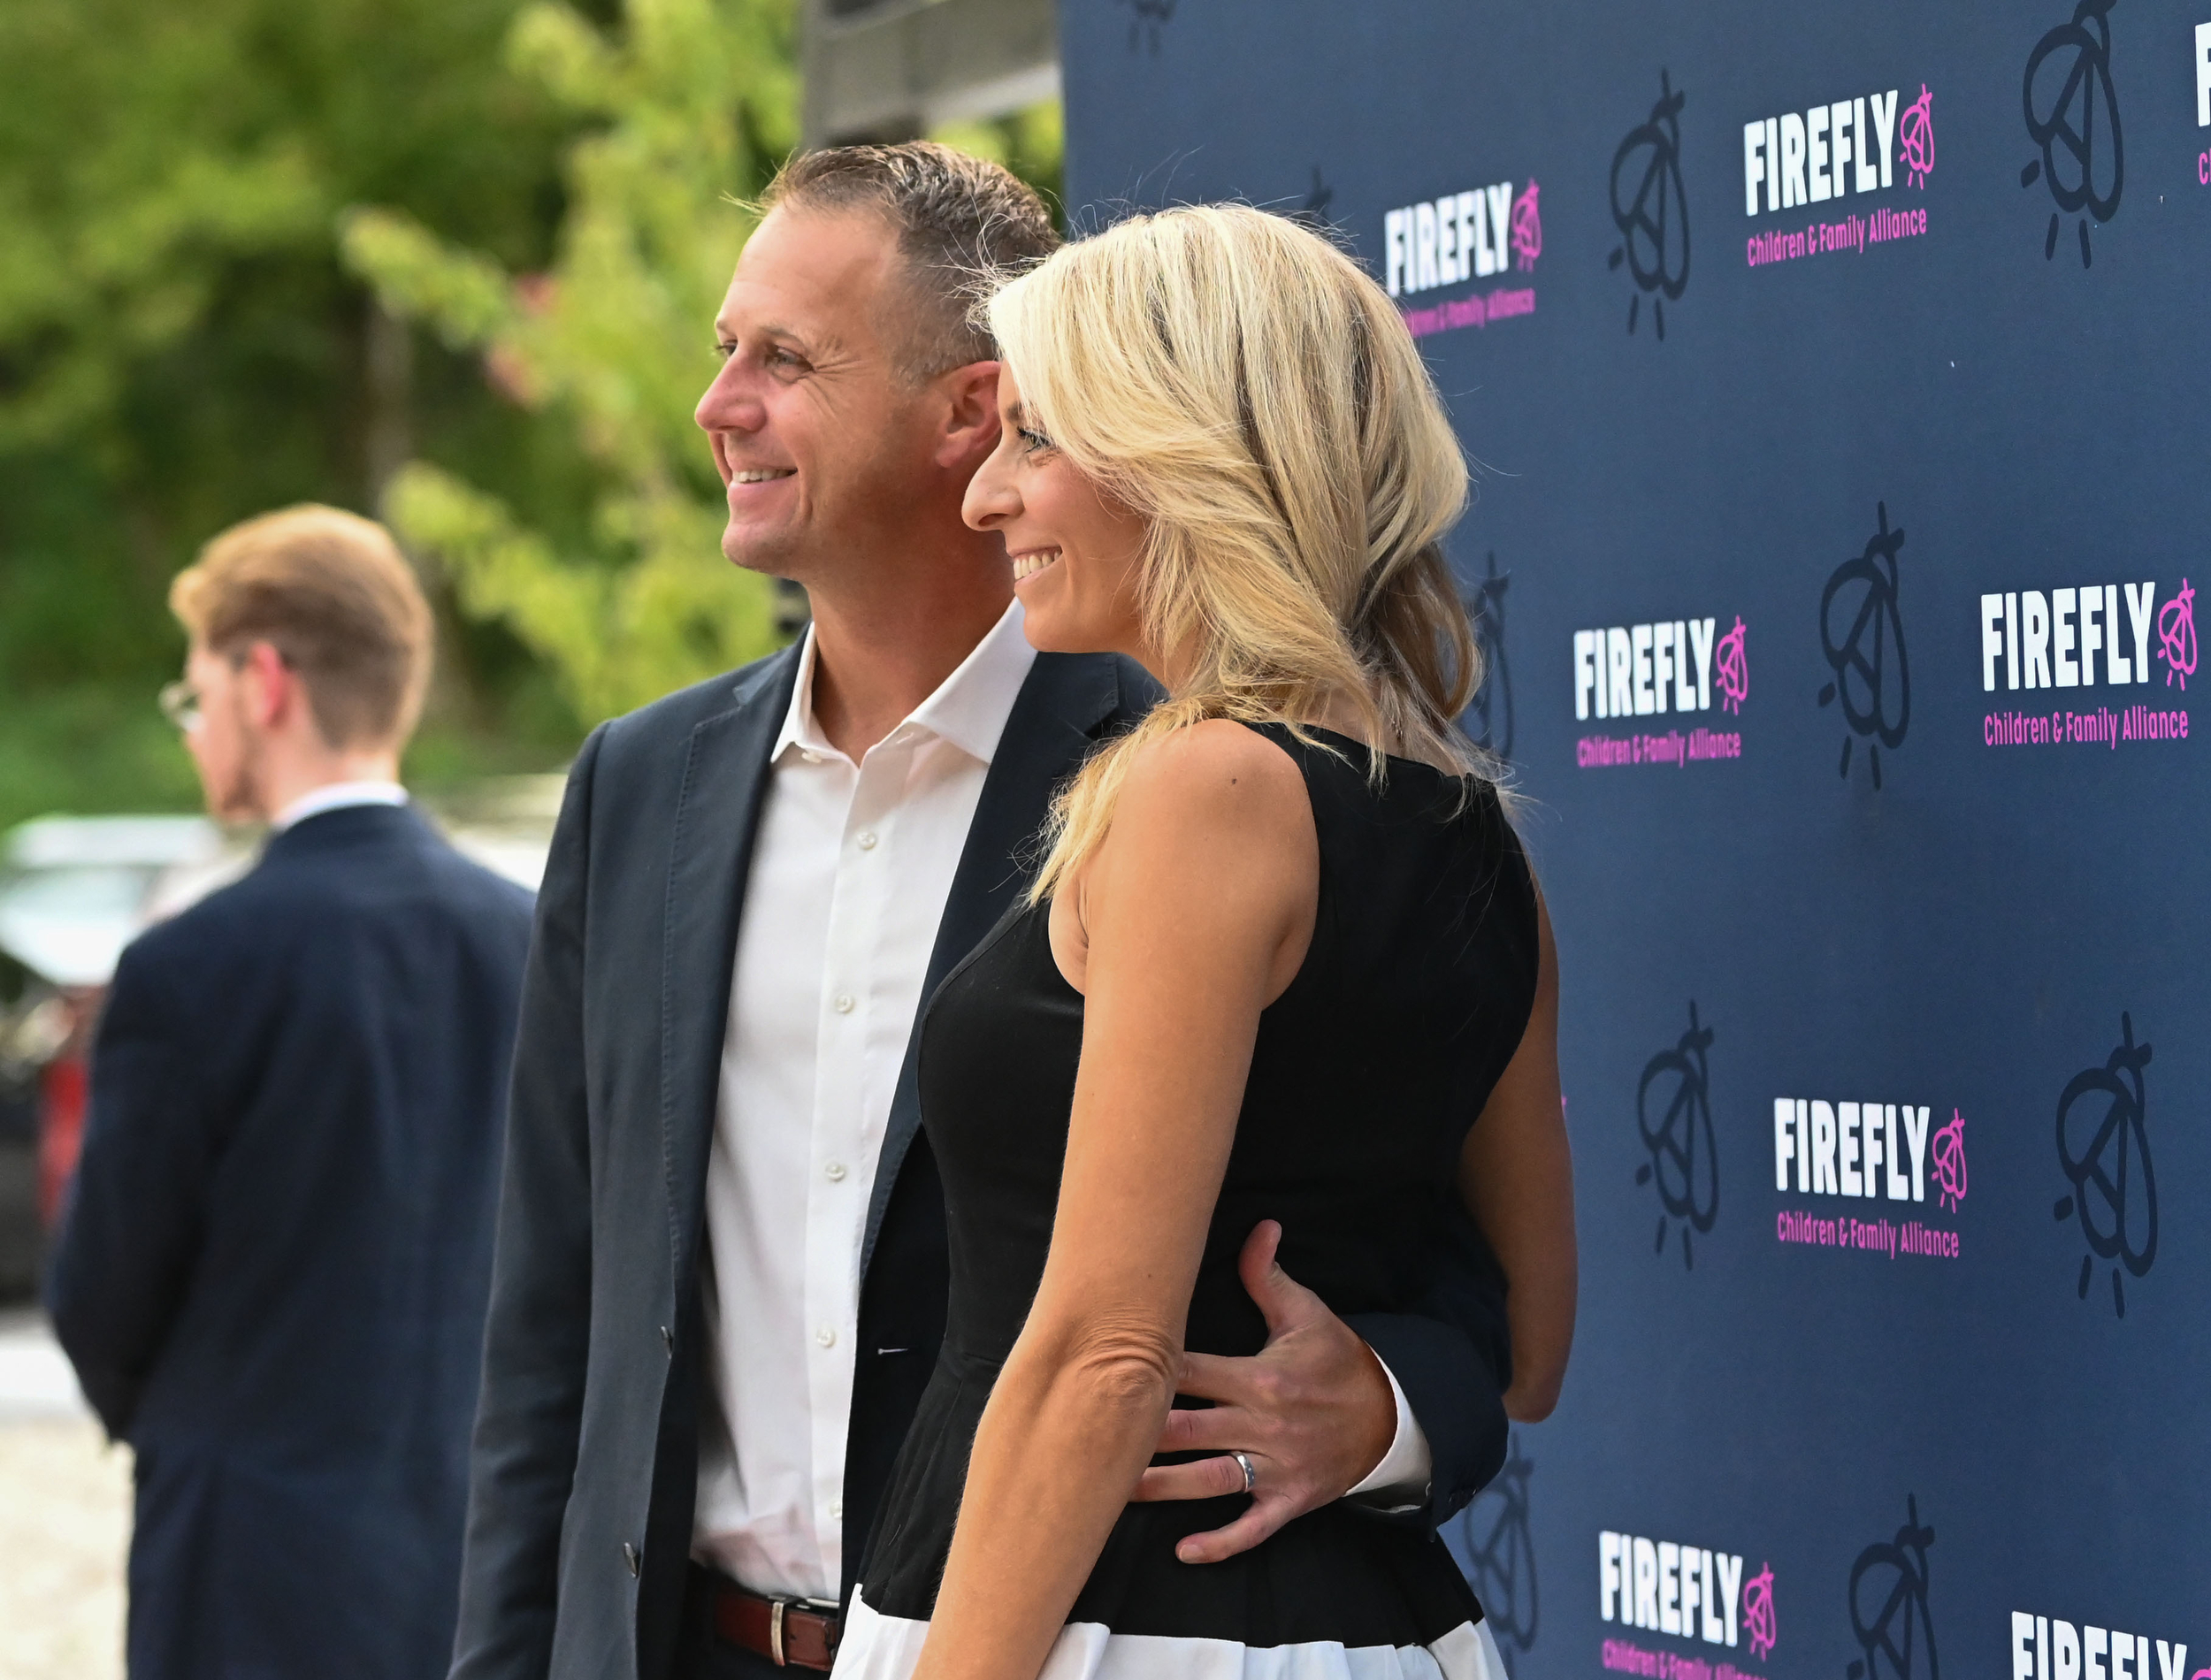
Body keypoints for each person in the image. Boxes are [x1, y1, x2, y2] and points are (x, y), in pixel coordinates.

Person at [453, 144, 1526, 1680]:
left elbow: (1437, 1267)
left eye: (784, 359)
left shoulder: (1194, 775)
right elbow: (556, 1316)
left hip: (1057, 1633)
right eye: (724, 349)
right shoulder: (641, 785)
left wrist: (1387, 1411)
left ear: (970, 409)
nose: (717, 404)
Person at [830, 203, 1575, 1680]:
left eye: (1035, 437)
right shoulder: (1475, 837)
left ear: (1188, 457)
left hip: (1100, 1632)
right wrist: (1384, 1407)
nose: (986, 499)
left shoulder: (1201, 788)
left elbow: (1101, 1360)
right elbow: (1529, 1343)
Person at [44, 505, 538, 1680]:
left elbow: (103, 1296)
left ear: (263, 681)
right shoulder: (535, 940)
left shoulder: (188, 964)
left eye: (195, 695)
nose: (194, 729)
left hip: (247, 1567)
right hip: (477, 1560)